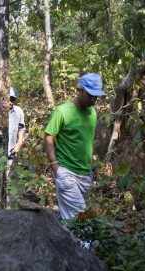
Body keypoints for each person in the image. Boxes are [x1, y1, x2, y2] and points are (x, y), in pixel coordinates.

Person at [44, 73, 106, 219]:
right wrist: (56, 167)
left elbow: (87, 139)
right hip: (66, 172)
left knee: (70, 217)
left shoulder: (92, 112)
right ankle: (86, 242)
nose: (93, 99)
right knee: (80, 218)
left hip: (85, 173)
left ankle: (63, 238)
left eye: (96, 96)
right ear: (79, 90)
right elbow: (48, 138)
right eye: (90, 95)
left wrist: (90, 164)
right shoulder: (62, 112)